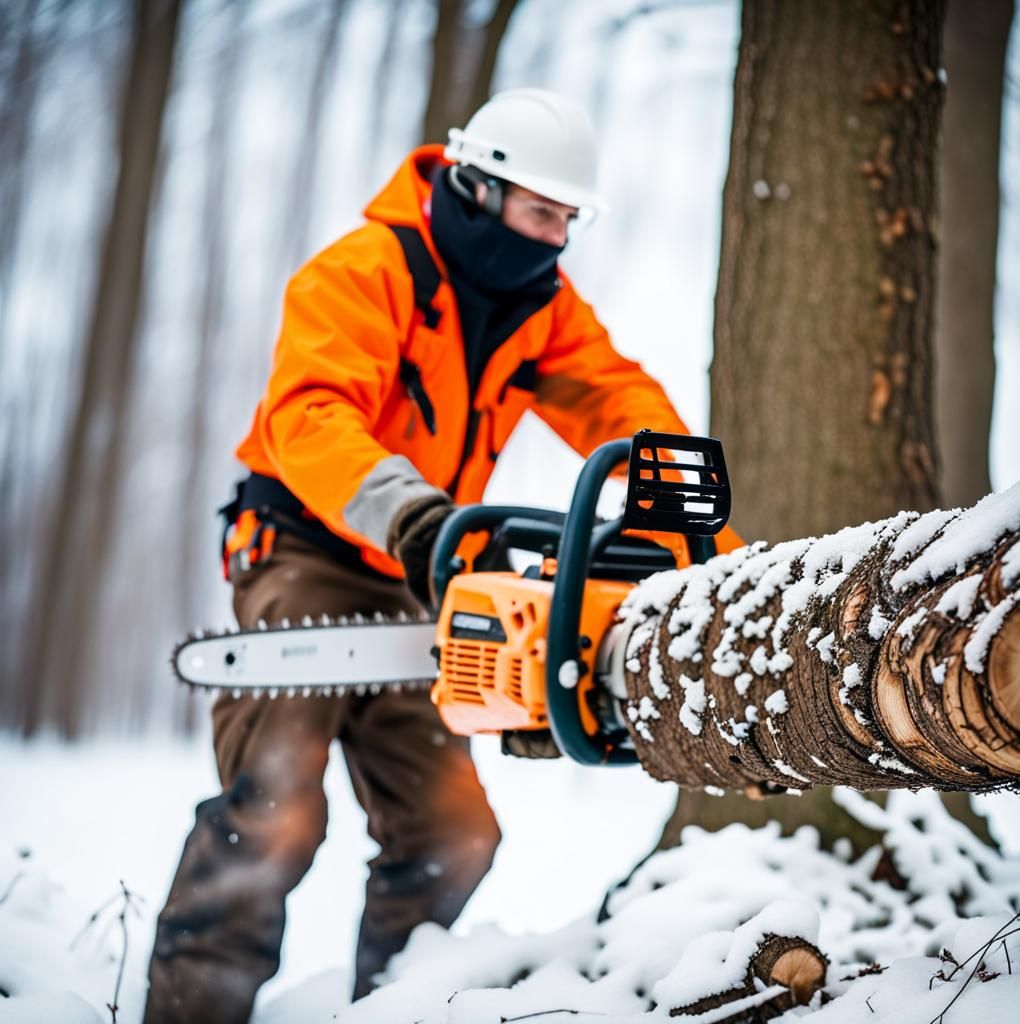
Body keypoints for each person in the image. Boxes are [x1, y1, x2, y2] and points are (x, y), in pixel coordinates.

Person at [143, 88, 734, 1023]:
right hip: (310, 550)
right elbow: (309, 416)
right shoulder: (365, 270)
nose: (555, 238)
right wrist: (412, 516)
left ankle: (387, 1007)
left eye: (569, 220)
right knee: (277, 813)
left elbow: (621, 406)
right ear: (478, 184)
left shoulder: (537, 303)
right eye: (543, 213)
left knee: (454, 832)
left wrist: (703, 549)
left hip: (423, 575)